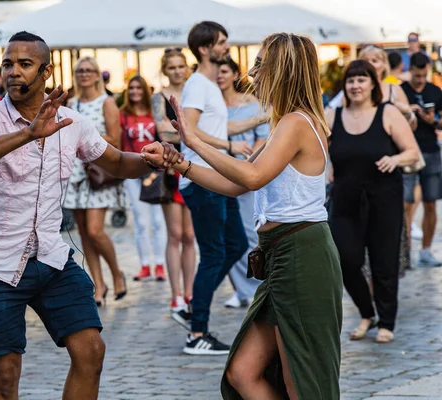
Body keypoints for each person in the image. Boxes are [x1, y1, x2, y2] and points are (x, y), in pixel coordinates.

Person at [0, 30, 180, 400]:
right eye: (8, 64)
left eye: (25, 64)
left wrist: (155, 159)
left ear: (46, 71)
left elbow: (118, 162)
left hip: (52, 260)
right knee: (5, 380)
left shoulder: (72, 122)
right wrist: (27, 135)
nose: (13, 72)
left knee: (91, 351)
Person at [142, 32, 344, 399]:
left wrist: (194, 138)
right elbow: (237, 184)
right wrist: (181, 164)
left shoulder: (297, 122)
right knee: (243, 373)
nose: (252, 72)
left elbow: (250, 177)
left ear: (281, 70)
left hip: (302, 254)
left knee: (298, 377)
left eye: (260, 63)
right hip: (282, 257)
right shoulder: (283, 124)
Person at [327, 60, 420, 345]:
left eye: (362, 80)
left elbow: (413, 153)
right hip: (344, 200)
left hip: (383, 198)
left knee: (384, 262)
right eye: (351, 80)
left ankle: (386, 321)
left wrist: (395, 158)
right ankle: (367, 313)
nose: (356, 85)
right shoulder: (332, 114)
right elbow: (316, 150)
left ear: (372, 84)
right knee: (344, 259)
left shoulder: (387, 112)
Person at [176, 21, 248, 355]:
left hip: (217, 175)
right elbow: (189, 131)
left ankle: (194, 308)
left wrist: (263, 119)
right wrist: (230, 148)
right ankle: (197, 333)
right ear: (205, 48)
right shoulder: (196, 85)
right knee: (216, 252)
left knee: (236, 245)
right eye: (221, 41)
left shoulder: (208, 85)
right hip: (202, 178)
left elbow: (219, 125)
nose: (226, 46)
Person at [63, 57, 127, 306]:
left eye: (89, 70)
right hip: (76, 174)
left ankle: (116, 273)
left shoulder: (107, 102)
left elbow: (115, 140)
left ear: (97, 74)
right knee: (84, 235)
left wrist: (86, 134)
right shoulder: (71, 103)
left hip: (98, 173)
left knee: (95, 231)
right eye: (80, 70)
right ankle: (98, 286)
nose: (84, 74)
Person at [218, 57, 269, 309]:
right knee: (227, 235)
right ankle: (239, 289)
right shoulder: (210, 105)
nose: (219, 75)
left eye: (224, 71)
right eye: (216, 71)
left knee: (250, 234)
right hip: (217, 173)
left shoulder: (253, 105)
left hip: (246, 171)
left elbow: (263, 138)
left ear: (234, 74)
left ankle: (254, 286)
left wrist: (249, 163)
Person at [151, 48, 196, 314]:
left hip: (193, 164)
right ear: (165, 69)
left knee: (190, 234)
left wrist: (186, 134)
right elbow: (161, 129)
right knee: (175, 234)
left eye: (181, 66)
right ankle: (175, 293)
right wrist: (190, 134)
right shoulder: (160, 97)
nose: (178, 71)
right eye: (172, 67)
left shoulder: (194, 92)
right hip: (170, 167)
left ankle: (189, 292)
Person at [120, 76, 167, 281]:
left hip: (156, 172)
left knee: (158, 220)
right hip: (132, 172)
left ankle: (160, 264)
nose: (135, 91)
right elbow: (120, 143)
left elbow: (165, 136)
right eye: (131, 88)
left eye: (139, 87)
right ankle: (145, 264)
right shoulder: (123, 114)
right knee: (140, 221)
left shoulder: (154, 113)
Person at [402, 53, 442, 266]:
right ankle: (405, 251)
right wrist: (409, 114)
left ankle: (426, 250)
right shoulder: (401, 91)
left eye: (423, 75)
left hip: (430, 150)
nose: (419, 80)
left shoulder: (435, 91)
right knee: (405, 203)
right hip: (407, 151)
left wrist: (433, 120)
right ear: (410, 71)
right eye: (416, 75)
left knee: (430, 202)